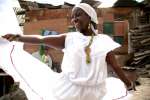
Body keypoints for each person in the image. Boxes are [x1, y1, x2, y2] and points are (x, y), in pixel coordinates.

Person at [2, 3, 135, 100]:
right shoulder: (69, 38)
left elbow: (115, 66)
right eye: (73, 17)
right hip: (69, 91)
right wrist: (17, 37)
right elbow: (42, 39)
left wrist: (128, 83)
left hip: (95, 93)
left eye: (78, 15)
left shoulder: (103, 41)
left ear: (90, 17)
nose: (74, 19)